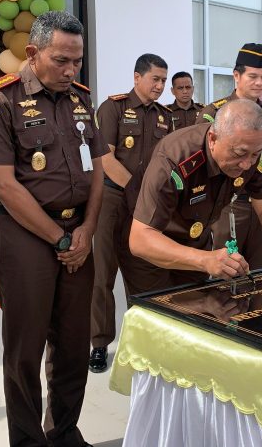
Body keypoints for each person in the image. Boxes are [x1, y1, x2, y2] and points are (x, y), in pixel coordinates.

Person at [0, 11, 107, 447]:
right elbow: (3, 186)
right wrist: (61, 238)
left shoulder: (81, 99)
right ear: (32, 53)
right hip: (25, 238)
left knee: (72, 346)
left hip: (78, 236)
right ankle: (28, 441)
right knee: (25, 352)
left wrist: (86, 229)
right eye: (60, 60)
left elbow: (100, 171)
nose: (70, 71)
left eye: (77, 61)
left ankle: (65, 432)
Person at [130, 98, 262, 280]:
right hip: (150, 244)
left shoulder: (252, 151)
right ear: (213, 139)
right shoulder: (175, 159)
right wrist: (204, 259)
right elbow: (140, 238)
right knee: (154, 309)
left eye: (255, 154)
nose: (246, 164)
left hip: (195, 240)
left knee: (197, 307)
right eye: (239, 154)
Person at [89, 54, 172, 373]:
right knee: (102, 275)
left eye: (163, 80)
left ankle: (143, 340)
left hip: (145, 206)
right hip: (112, 200)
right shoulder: (113, 108)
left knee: (144, 274)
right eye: (155, 79)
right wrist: (138, 192)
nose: (160, 86)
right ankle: (99, 343)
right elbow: (106, 160)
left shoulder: (166, 116)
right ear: (137, 77)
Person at [198, 44, 262, 269]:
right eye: (253, 76)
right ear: (237, 76)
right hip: (228, 206)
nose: (260, 83)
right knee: (227, 273)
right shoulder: (213, 113)